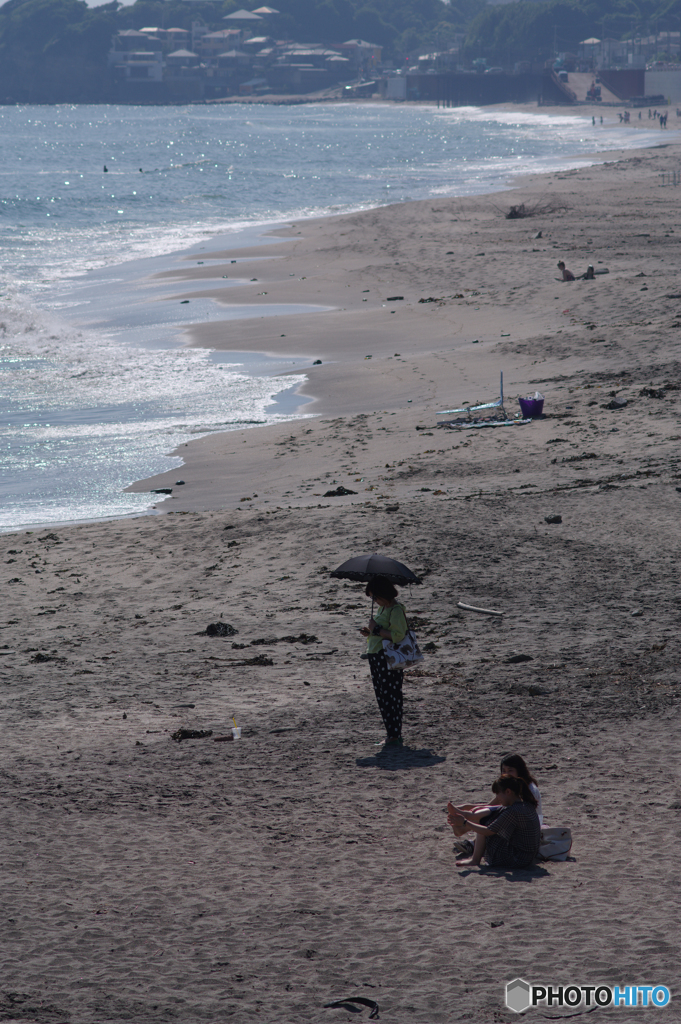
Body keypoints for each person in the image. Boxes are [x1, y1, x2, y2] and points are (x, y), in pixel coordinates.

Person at [447, 775, 540, 869]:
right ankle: (464, 817)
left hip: (517, 859)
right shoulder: (526, 804)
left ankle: (474, 860)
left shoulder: (512, 811)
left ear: (508, 792)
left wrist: (465, 822)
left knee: (484, 822)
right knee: (493, 813)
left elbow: (488, 831)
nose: (497, 797)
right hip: (528, 856)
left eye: (497, 794)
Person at [359, 576, 408, 745]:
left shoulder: (395, 610)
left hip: (388, 658)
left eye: (374, 597)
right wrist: (370, 632)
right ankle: (391, 734)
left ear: (382, 593)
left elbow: (398, 635)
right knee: (381, 696)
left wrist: (377, 629)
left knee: (391, 696)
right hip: (376, 656)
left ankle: (394, 735)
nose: (374, 600)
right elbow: (381, 632)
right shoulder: (382, 609)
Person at [500, 753, 543, 823]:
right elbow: (494, 803)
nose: (506, 774)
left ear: (519, 771)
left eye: (510, 770)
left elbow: (526, 814)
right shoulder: (507, 785)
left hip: (529, 824)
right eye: (504, 771)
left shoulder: (530, 789)